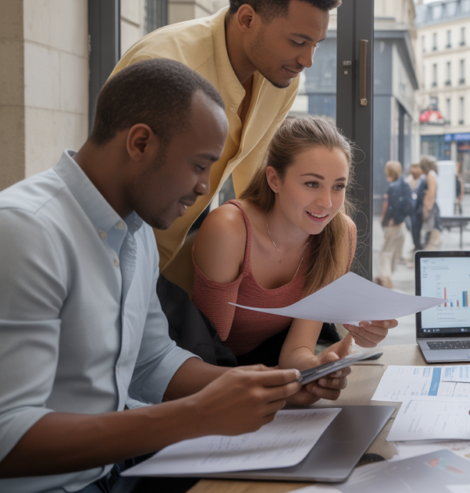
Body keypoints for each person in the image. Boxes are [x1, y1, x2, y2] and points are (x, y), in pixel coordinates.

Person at [0, 60, 346, 493]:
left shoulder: (137, 231)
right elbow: (6, 438)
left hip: (113, 473)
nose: (205, 188)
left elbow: (152, 360)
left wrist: (271, 387)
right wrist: (196, 415)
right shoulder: (24, 231)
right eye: (200, 166)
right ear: (140, 142)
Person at [109, 0, 341, 299]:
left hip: (178, 269)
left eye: (317, 44)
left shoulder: (281, 79)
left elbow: (257, 188)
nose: (307, 60)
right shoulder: (165, 64)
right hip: (116, 264)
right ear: (247, 19)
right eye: (298, 41)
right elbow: (113, 187)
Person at [191, 116, 397, 368]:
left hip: (273, 366)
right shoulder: (229, 229)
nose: (327, 203)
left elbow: (297, 350)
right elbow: (208, 354)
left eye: (338, 186)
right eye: (312, 184)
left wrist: (323, 364)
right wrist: (284, 379)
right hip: (216, 372)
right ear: (274, 180)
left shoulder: (340, 233)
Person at [376, 160, 412, 289]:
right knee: (395, 251)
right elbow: (409, 205)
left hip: (392, 225)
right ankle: (386, 276)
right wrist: (400, 219)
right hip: (401, 224)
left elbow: (388, 206)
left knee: (385, 252)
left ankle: (385, 280)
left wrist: (386, 220)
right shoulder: (405, 185)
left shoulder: (392, 187)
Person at [417, 155, 441, 250]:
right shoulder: (430, 174)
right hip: (430, 209)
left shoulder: (431, 175)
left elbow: (431, 194)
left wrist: (426, 210)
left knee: (431, 237)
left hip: (430, 210)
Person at [406, 163, 424, 251]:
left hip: (419, 208)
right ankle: (416, 245)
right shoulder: (409, 179)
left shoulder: (422, 179)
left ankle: (418, 245)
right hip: (412, 208)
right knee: (413, 228)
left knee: (418, 228)